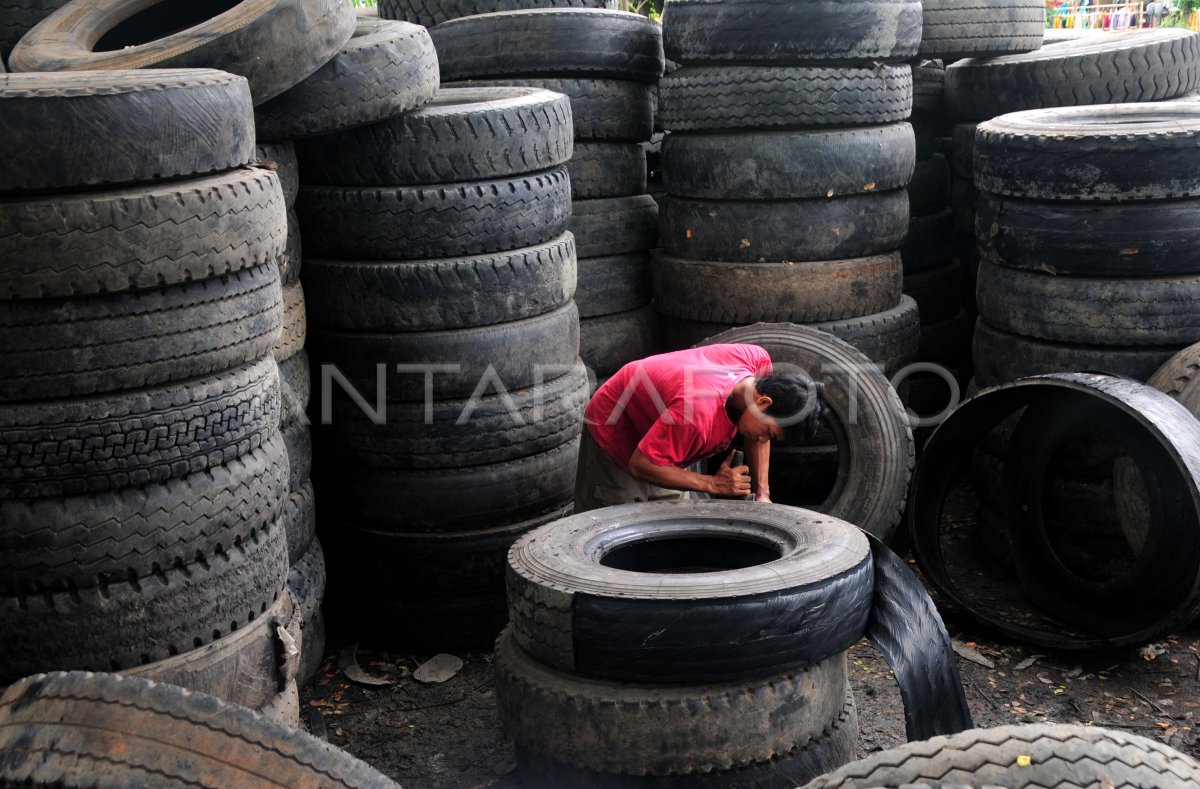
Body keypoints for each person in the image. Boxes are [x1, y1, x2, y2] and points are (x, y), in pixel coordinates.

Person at [574, 343, 823, 512]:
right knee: (611, 533)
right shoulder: (697, 416)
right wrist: (712, 484)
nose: (763, 438)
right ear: (763, 402)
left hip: (668, 431)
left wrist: (762, 494)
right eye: (768, 432)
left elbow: (758, 436)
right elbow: (640, 465)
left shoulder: (758, 363)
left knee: (675, 531)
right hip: (617, 425)